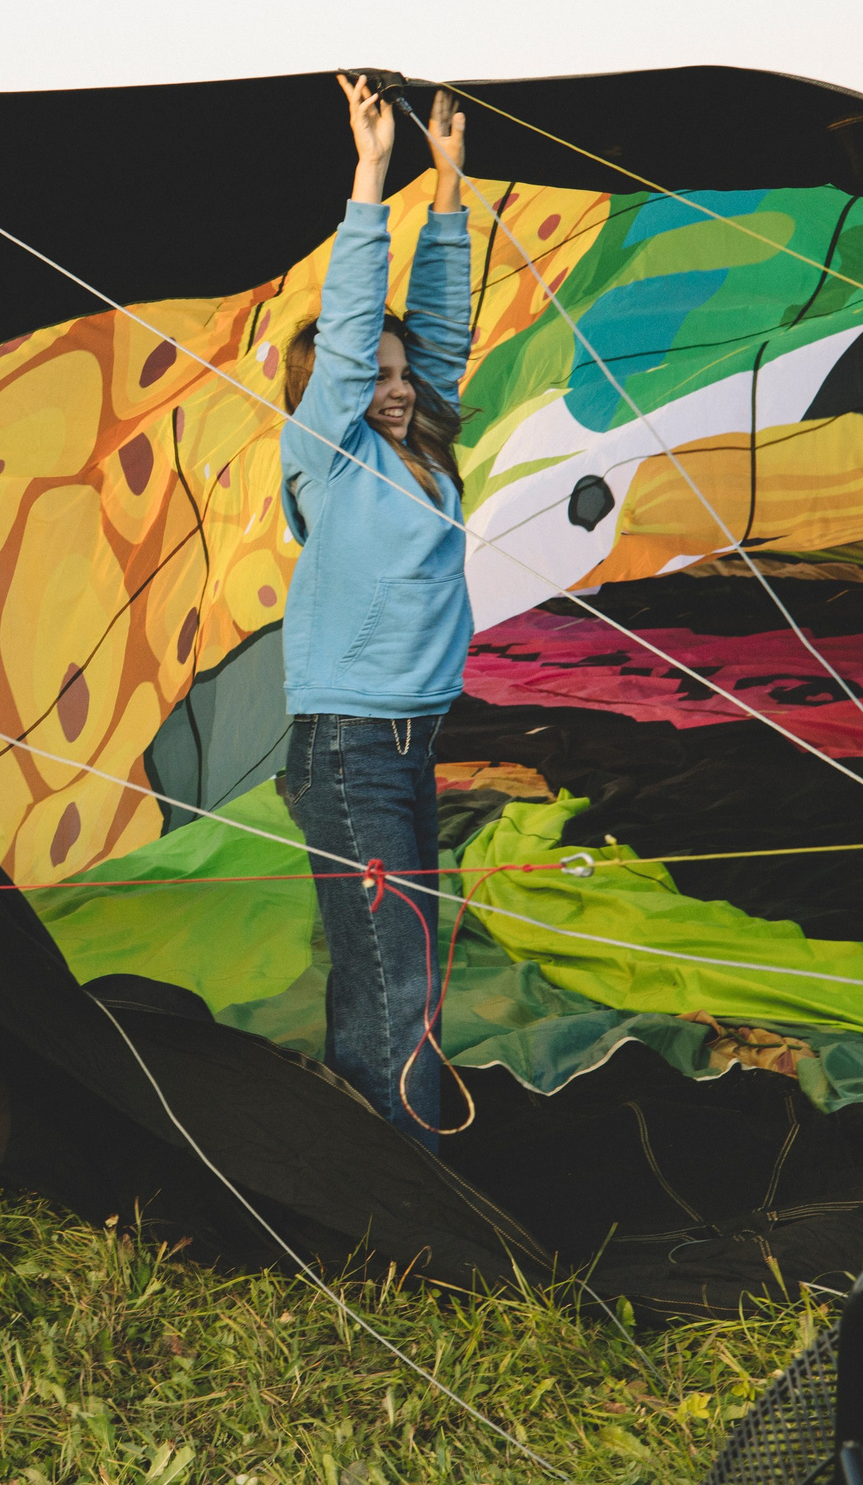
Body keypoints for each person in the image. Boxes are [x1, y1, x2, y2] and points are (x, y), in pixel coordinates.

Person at [279, 76, 475, 1149]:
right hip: (349, 749)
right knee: (397, 974)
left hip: (406, 746)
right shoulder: (326, 454)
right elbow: (352, 338)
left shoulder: (420, 445)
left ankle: (367, 1160)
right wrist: (370, 178)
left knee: (390, 967)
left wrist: (445, 188)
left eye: (402, 376)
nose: (392, 388)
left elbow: (434, 331)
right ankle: (412, 1191)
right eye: (374, 378)